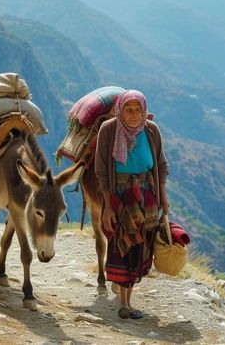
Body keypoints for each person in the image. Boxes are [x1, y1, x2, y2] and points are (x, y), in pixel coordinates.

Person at [94, 89, 170, 319]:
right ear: (120, 110)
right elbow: (101, 171)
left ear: (145, 110)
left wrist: (163, 197)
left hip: (146, 197)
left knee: (139, 246)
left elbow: (161, 165)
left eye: (138, 109)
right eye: (128, 109)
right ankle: (124, 304)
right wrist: (107, 205)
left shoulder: (151, 130)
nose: (134, 114)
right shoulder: (108, 130)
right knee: (120, 245)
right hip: (119, 197)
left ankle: (127, 297)